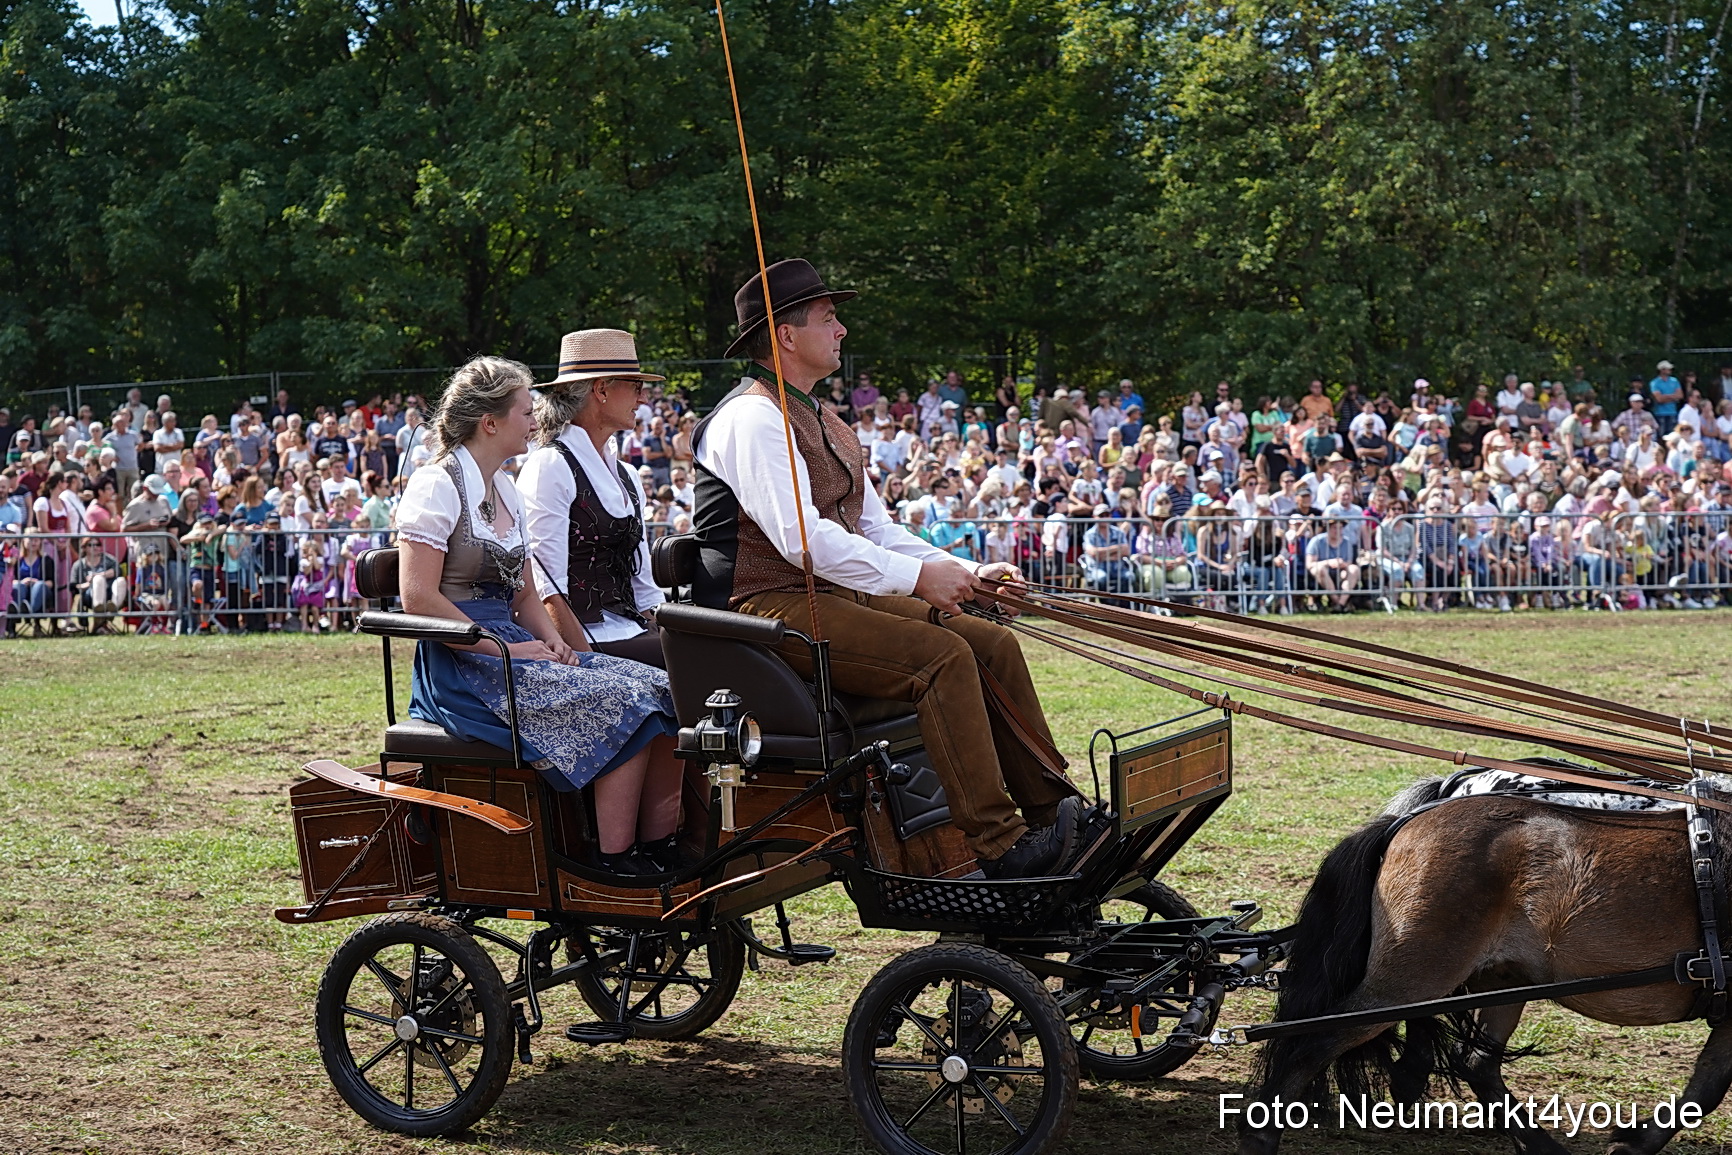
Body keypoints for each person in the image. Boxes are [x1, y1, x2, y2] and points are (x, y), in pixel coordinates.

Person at [691, 259, 1086, 880]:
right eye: (830, 318)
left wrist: (965, 569)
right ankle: (999, 843)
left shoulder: (826, 420)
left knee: (989, 642)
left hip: (830, 596)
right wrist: (919, 581)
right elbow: (803, 541)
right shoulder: (751, 418)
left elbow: (875, 529)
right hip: (765, 606)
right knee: (942, 657)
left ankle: (1054, 814)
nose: (843, 330)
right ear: (786, 336)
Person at [397, 355, 683, 876]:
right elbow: (418, 600)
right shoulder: (436, 485)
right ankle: (612, 862)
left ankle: (658, 847)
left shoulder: (505, 487)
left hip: (512, 645)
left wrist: (556, 644)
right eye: (525, 412)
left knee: (663, 689)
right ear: (490, 423)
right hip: (463, 661)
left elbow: (528, 594)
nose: (536, 421)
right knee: (627, 699)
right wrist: (504, 647)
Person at [520, 329, 668, 668]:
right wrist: (590, 670)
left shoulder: (628, 475)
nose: (642, 398)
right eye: (635, 386)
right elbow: (547, 590)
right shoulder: (551, 466)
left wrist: (668, 635)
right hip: (585, 644)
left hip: (630, 632)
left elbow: (643, 588)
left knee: (715, 655)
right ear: (601, 389)